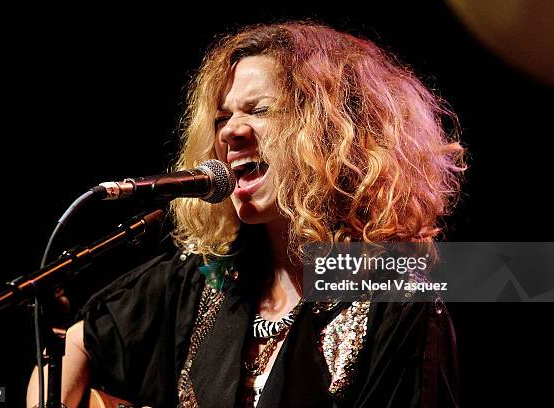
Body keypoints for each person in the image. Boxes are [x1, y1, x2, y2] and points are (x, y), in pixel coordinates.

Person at [27, 21, 464, 407]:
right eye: (222, 117)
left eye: (260, 111)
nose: (231, 132)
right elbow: (70, 348)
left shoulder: (395, 302)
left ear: (334, 135)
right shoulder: (197, 282)